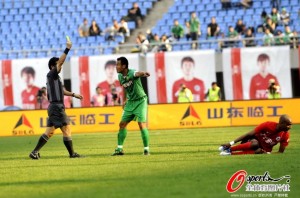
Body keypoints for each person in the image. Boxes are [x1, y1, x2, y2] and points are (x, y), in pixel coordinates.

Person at [29, 37, 83, 160]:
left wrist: (74, 94)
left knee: (50, 132)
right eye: (58, 64)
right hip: (56, 107)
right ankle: (72, 154)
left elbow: (62, 91)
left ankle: (35, 152)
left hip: (54, 107)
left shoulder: (55, 78)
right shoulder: (52, 74)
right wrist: (68, 48)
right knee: (67, 129)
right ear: (53, 66)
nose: (61, 65)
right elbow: (60, 62)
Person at [111, 56, 150, 156]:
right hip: (130, 102)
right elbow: (125, 87)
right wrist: (125, 99)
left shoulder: (132, 72)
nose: (116, 67)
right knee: (122, 124)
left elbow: (138, 73)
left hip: (140, 100)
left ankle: (146, 150)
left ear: (124, 66)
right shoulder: (120, 77)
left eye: (118, 65)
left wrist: (144, 73)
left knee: (141, 124)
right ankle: (119, 149)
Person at [219, 114, 292, 155]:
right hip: (252, 141)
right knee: (255, 143)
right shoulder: (268, 125)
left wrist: (267, 153)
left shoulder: (286, 135)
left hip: (264, 149)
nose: (290, 127)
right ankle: (229, 149)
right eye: (288, 125)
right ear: (281, 123)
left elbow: (280, 152)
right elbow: (249, 133)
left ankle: (229, 154)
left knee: (258, 151)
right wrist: (231, 143)